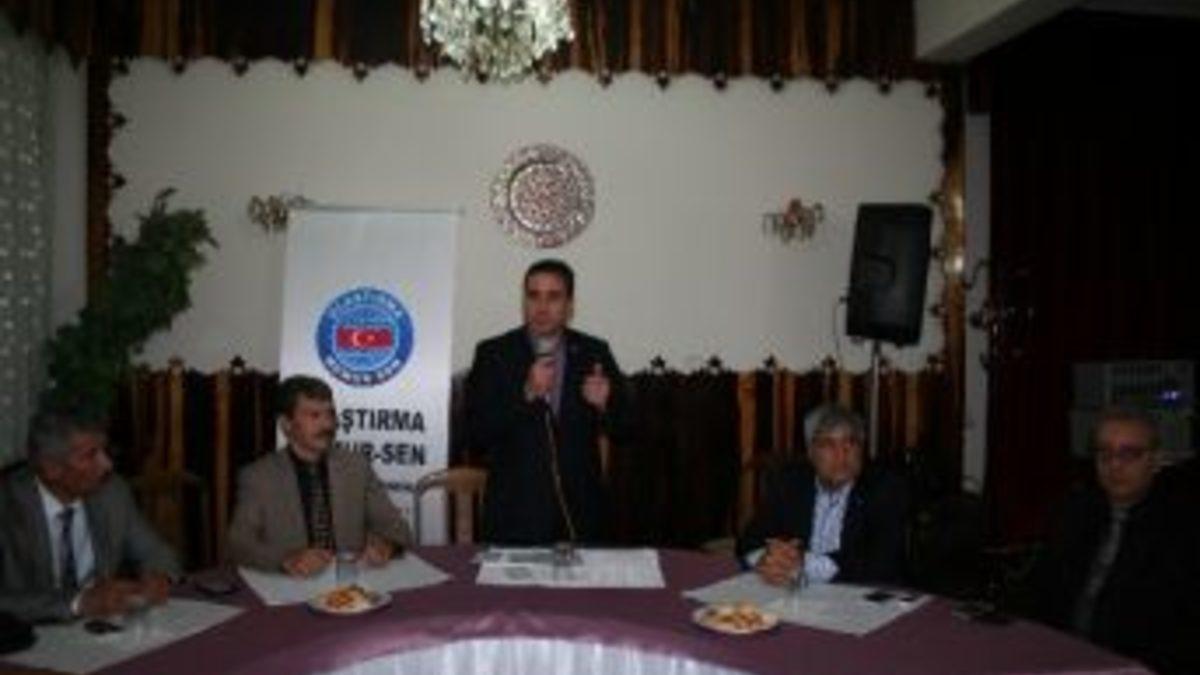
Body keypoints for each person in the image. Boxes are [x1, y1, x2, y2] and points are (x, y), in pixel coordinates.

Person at [466, 259, 632, 544]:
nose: (541, 307)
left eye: (553, 297)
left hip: (581, 516)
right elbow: (474, 433)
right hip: (515, 516)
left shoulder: (594, 352)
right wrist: (526, 394)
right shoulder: (494, 353)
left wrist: (606, 405)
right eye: (533, 296)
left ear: (570, 305)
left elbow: (627, 429)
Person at [1034, 407, 1197, 674]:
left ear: (1156, 460)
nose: (1115, 465)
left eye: (1129, 454)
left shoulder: (1181, 527)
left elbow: (1173, 627)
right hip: (1065, 656)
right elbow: (1044, 594)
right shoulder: (1075, 511)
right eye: (1104, 454)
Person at [0, 405, 180, 623]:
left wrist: (159, 576)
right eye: (90, 455)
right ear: (51, 468)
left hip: (103, 628)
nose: (107, 464)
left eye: (104, 451)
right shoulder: (8, 507)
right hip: (29, 632)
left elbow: (155, 550)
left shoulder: (112, 492)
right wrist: (78, 603)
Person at [227, 375, 411, 576]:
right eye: (314, 416)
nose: (327, 425)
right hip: (291, 585)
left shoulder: (356, 466)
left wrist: (386, 545)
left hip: (349, 583)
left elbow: (397, 528)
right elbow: (238, 544)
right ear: (286, 424)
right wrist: (286, 560)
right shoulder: (258, 476)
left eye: (330, 414)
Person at [736, 404, 908, 585]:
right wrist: (766, 559)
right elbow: (748, 542)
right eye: (828, 444)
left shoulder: (885, 488)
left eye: (850, 442)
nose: (842, 454)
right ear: (811, 452)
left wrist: (802, 563)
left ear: (861, 449)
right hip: (795, 590)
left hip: (857, 594)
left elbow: (881, 561)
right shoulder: (790, 483)